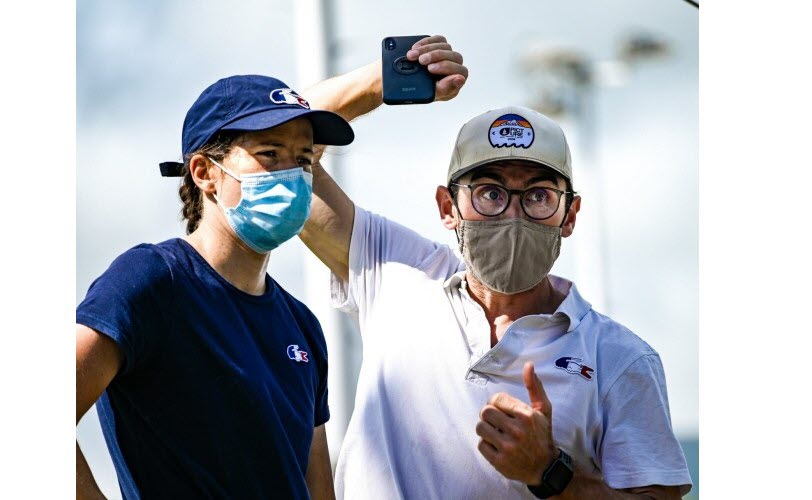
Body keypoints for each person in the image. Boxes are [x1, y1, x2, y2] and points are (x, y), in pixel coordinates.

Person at [300, 36, 692, 498]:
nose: (512, 214)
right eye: (489, 192)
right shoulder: (396, 274)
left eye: (539, 196)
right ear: (448, 206)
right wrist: (381, 80)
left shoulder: (618, 358)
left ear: (569, 215)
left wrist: (552, 473)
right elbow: (281, 152)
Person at [75, 74, 356, 499]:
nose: (293, 175)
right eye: (269, 153)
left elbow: (316, 490)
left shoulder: (302, 325)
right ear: (205, 172)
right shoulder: (152, 280)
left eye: (303, 160)